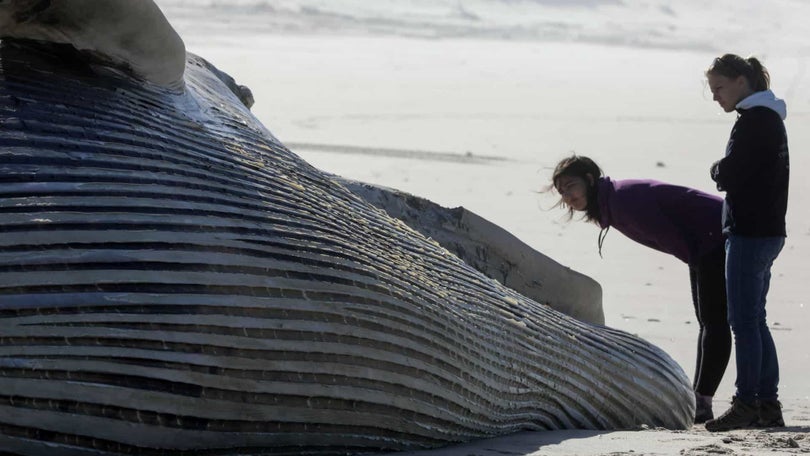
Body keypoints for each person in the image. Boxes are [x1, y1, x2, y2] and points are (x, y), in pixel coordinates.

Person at [550, 154, 729, 424]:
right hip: (706, 242)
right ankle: (700, 400)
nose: (567, 196)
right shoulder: (613, 203)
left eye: (570, 186)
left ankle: (703, 401)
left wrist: (704, 263)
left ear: (589, 179)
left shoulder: (622, 200)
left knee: (714, 322)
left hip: (720, 234)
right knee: (708, 321)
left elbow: (674, 236)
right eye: (562, 192)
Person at [703, 54, 790, 432]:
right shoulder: (766, 118)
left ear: (741, 81)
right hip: (768, 231)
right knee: (755, 320)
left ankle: (748, 402)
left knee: (743, 321)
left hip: (750, 233)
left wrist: (716, 169)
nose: (716, 97)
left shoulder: (755, 121)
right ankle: (766, 403)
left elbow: (732, 173)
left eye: (719, 88)